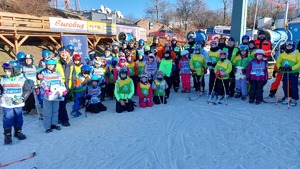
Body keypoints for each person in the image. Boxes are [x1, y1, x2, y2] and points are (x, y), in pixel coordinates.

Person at [1, 61, 31, 144]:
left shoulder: (22, 79)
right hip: (6, 103)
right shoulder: (3, 79)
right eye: (6, 71)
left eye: (9, 71)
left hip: (18, 103)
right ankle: (7, 135)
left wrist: (22, 99)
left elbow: (27, 90)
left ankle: (18, 132)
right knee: (7, 119)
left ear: (15, 70)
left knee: (18, 118)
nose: (7, 73)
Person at [40, 58, 67, 133]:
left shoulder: (57, 73)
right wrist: (46, 89)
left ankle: (54, 123)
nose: (50, 66)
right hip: (47, 95)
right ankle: (47, 126)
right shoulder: (43, 73)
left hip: (56, 94)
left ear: (54, 65)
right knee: (47, 110)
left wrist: (64, 90)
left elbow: (61, 82)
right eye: (49, 65)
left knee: (55, 109)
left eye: (52, 65)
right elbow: (43, 82)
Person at [56, 46, 76, 127]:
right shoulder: (56, 62)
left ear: (68, 54)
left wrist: (73, 84)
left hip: (67, 86)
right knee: (61, 104)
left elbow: (73, 74)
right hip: (58, 86)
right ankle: (64, 119)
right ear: (59, 53)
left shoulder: (71, 63)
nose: (63, 54)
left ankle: (60, 118)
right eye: (62, 52)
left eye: (65, 52)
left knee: (62, 104)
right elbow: (48, 68)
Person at [276, 41, 300, 106]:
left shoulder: (296, 53)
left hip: (293, 72)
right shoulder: (283, 54)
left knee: (294, 86)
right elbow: (278, 61)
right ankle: (287, 97)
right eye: (287, 46)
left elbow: (299, 63)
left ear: (293, 46)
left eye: (290, 46)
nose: (289, 47)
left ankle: (294, 98)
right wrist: (280, 67)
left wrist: (292, 68)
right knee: (285, 86)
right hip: (286, 72)